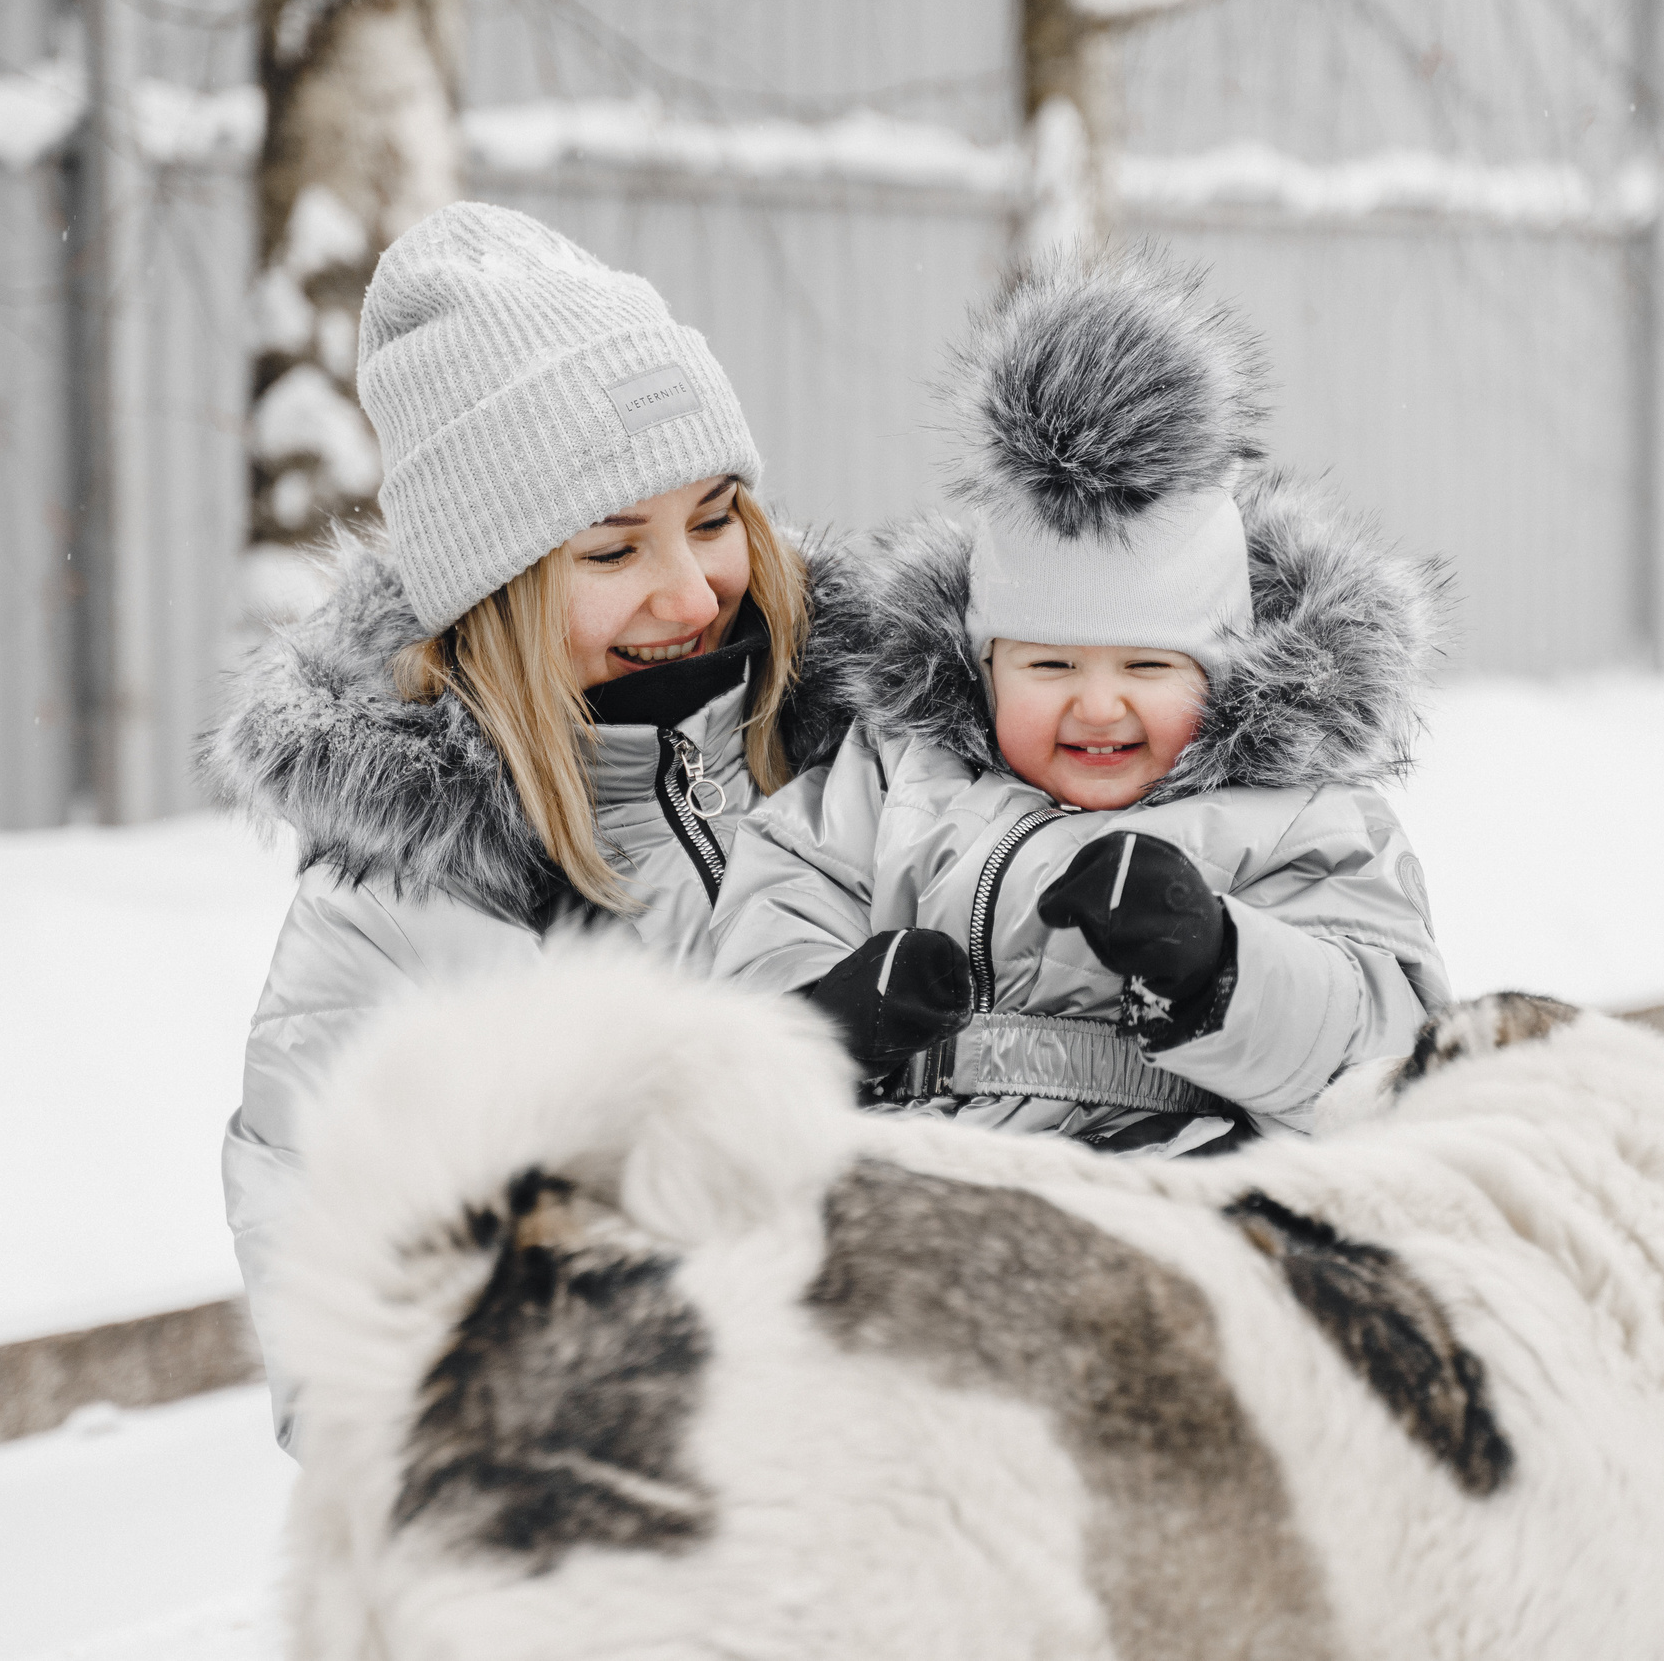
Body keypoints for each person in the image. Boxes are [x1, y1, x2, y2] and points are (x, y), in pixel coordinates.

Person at [204, 203, 856, 1447]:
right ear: (491, 589)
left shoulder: (865, 762)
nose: (691, 592)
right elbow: (353, 1372)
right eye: (612, 551)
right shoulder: (399, 915)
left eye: (714, 518)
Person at [711, 252, 1450, 1158]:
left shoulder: (1296, 814)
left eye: (1148, 664)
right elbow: (785, 888)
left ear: (1224, 672)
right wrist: (821, 1016)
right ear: (985, 665)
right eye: (1051, 663)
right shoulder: (899, 778)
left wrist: (1220, 965)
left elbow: (1381, 1033)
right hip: (911, 1166)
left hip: (1174, 1174)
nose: (1098, 705)